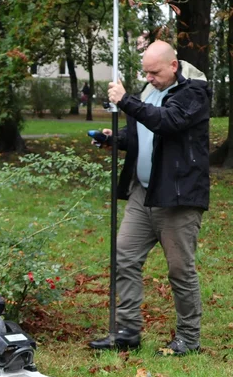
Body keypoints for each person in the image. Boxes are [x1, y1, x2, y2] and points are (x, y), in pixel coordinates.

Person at [89, 40, 211, 356]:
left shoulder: (193, 93)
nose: (149, 78)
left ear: (173, 66)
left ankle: (188, 338)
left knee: (179, 269)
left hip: (177, 196)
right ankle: (127, 331)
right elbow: (141, 134)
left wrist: (126, 101)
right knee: (124, 257)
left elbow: (167, 122)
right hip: (143, 193)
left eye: (154, 72)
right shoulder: (147, 92)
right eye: (145, 72)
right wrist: (112, 139)